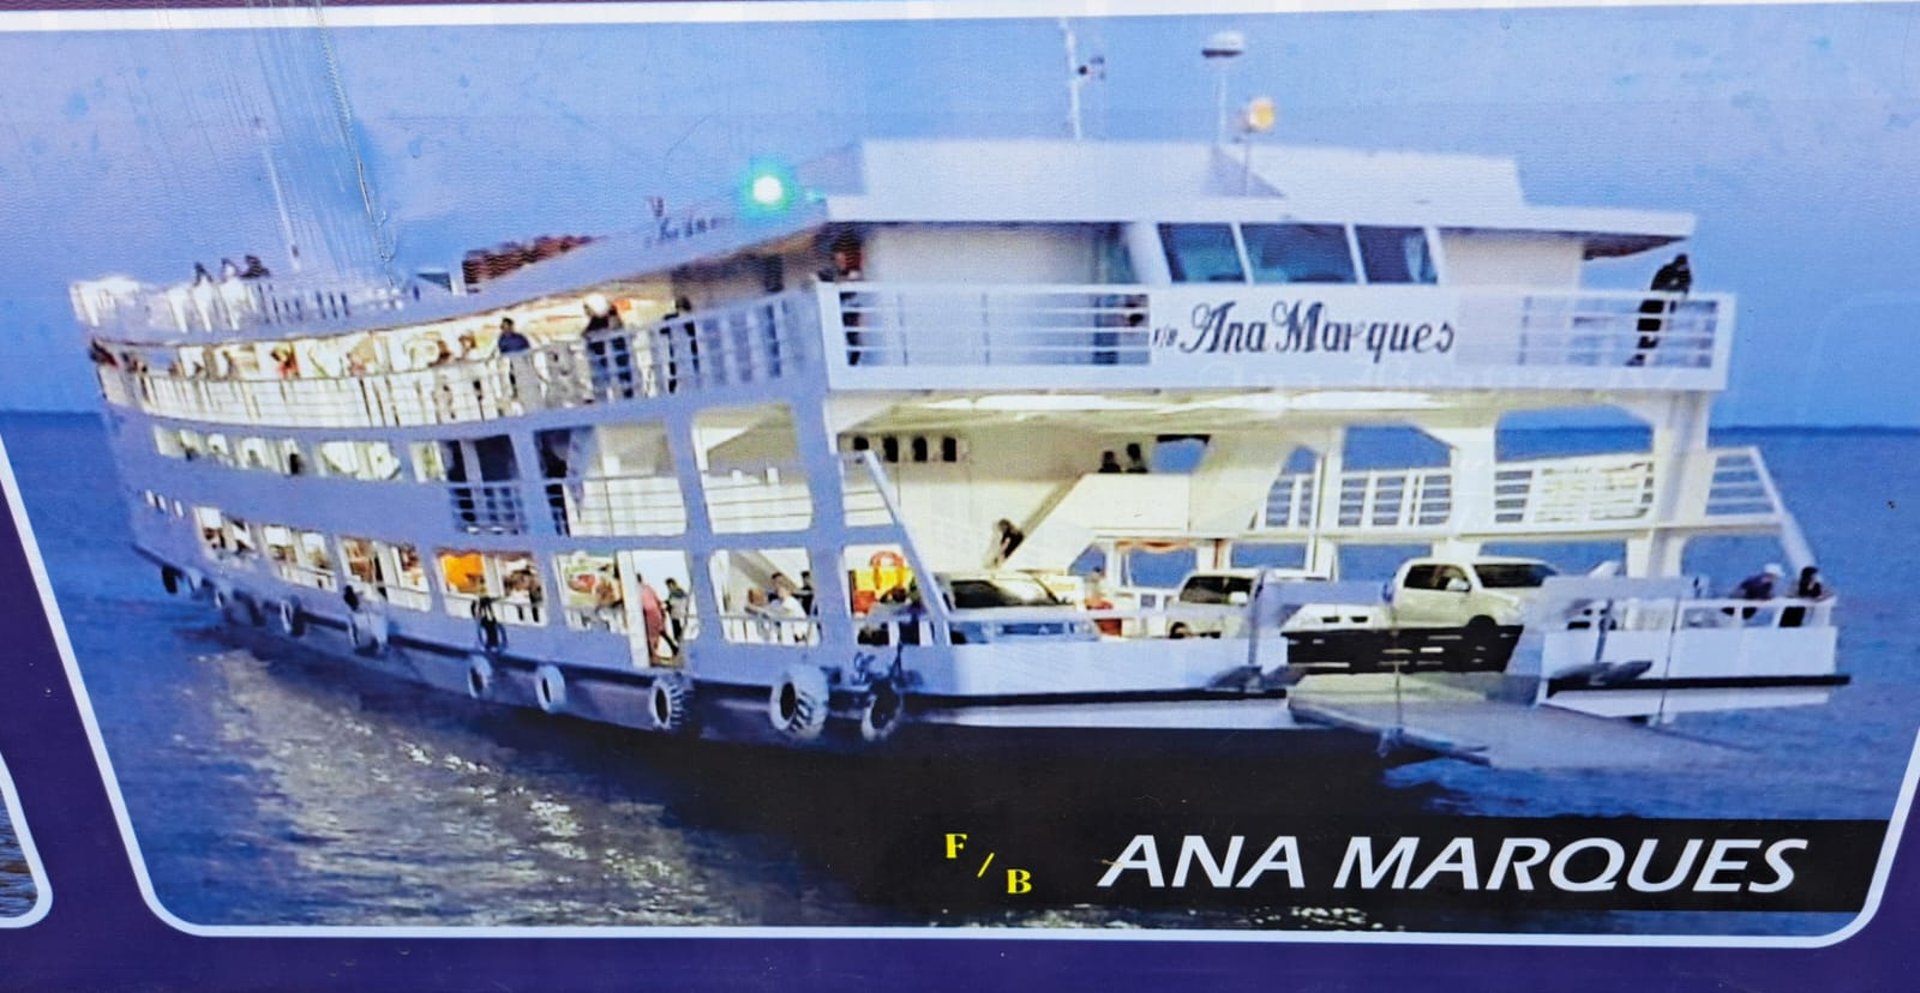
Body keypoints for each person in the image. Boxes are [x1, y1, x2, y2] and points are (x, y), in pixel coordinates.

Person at [1631, 253, 1691, 366]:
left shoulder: (1685, 274)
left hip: (1665, 307)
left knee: (1659, 333)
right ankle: (1640, 356)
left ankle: (1643, 355)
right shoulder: (1666, 270)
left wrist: (1676, 291)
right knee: (1646, 332)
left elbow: (1684, 289)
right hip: (1653, 305)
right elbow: (1657, 287)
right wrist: (1672, 289)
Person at [664, 578, 690, 645]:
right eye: (667, 586)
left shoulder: (676, 592)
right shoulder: (679, 592)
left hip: (677, 614)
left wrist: (667, 604)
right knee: (678, 633)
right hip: (677, 614)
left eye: (669, 585)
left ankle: (682, 647)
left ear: (673, 584)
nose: (668, 587)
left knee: (678, 633)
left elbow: (673, 603)